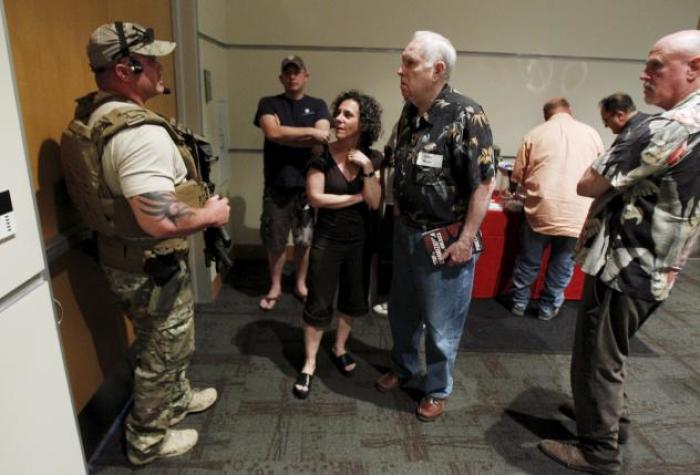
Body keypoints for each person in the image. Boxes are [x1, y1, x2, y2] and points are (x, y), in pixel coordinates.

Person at [64, 22, 230, 464]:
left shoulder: (99, 114)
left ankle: (175, 402)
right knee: (164, 347)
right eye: (151, 60)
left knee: (171, 339)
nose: (160, 67)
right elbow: (156, 217)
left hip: (127, 258)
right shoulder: (139, 134)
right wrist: (211, 214)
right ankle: (147, 440)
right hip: (147, 264)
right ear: (125, 68)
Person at [539, 30, 700, 474]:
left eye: (657, 66)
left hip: (625, 264)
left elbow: (588, 182)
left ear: (694, 68)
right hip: (660, 266)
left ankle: (599, 451)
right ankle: (604, 417)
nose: (644, 75)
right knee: (613, 351)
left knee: (597, 357)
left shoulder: (666, 127)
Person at [375, 31, 495, 422]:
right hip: (406, 233)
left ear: (437, 70)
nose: (400, 70)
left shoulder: (466, 115)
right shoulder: (410, 112)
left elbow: (483, 185)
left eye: (409, 63)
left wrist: (466, 240)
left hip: (444, 241)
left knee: (442, 325)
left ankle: (437, 387)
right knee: (402, 313)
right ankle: (405, 366)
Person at [292, 90, 383, 398]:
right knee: (318, 300)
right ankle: (309, 363)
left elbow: (374, 203)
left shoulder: (372, 158)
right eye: (339, 112)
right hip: (327, 239)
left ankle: (340, 346)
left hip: (360, 241)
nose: (339, 119)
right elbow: (316, 197)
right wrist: (355, 197)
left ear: (363, 123)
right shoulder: (321, 154)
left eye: (348, 114)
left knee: (352, 300)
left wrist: (368, 170)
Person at [509, 98, 604, 320]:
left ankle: (519, 303)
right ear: (570, 111)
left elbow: (518, 175)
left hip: (541, 209)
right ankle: (547, 307)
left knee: (529, 260)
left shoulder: (535, 134)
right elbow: (601, 172)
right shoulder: (592, 134)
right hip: (577, 213)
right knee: (563, 264)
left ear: (546, 115)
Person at [254, 56, 332, 311]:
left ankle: (300, 283)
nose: (292, 77)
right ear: (281, 78)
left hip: (308, 187)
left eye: (296, 72)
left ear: (305, 76)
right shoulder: (268, 103)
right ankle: (275, 285)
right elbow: (272, 133)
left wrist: (285, 135)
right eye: (287, 73)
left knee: (304, 241)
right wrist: (308, 134)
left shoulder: (318, 105)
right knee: (275, 241)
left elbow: (322, 139)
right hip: (276, 187)